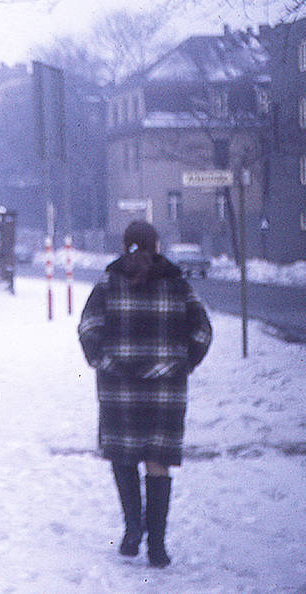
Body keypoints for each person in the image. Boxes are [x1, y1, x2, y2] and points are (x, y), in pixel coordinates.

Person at [78, 220, 213, 568]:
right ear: (156, 245)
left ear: (125, 245)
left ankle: (131, 531)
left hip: (118, 389)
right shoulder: (179, 285)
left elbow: (88, 327)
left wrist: (102, 361)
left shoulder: (108, 283)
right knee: (158, 462)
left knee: (123, 457)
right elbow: (202, 332)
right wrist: (183, 364)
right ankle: (158, 546)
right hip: (165, 392)